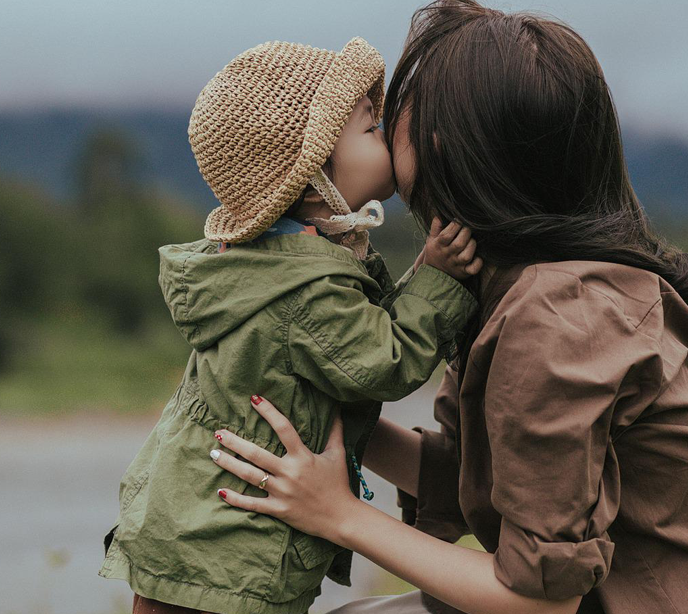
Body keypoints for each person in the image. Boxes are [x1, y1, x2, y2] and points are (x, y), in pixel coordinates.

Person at [207, 2, 688, 613]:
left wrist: (339, 514)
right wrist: (313, 403)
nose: (385, 128)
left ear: (447, 141)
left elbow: (539, 602)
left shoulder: (557, 316)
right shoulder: (515, 281)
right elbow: (475, 478)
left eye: (395, 116)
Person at [98, 37, 483, 614]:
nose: (388, 138)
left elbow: (360, 333)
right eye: (372, 129)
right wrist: (441, 279)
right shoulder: (304, 289)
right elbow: (383, 361)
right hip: (228, 562)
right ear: (311, 173)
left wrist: (423, 271)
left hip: (199, 539)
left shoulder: (278, 262)